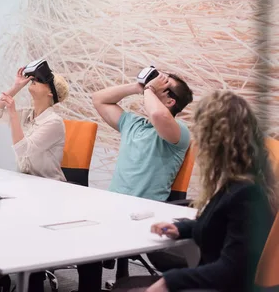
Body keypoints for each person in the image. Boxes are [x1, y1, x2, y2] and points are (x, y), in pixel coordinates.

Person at [116, 90, 278, 292]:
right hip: (214, 282)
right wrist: (183, 229)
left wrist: (170, 281)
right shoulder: (241, 183)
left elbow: (232, 270)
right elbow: (221, 226)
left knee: (125, 288)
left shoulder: (247, 195)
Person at [83, 71, 193, 289]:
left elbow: (160, 117)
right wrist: (138, 87)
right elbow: (99, 99)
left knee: (90, 244)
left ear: (170, 100)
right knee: (78, 239)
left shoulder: (178, 133)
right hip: (111, 206)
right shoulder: (133, 124)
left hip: (141, 213)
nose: (156, 83)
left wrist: (150, 91)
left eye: (164, 84)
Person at [0, 62, 69, 292]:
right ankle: (1, 275)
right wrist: (15, 87)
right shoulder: (29, 115)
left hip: (50, 191)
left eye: (38, 80)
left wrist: (12, 114)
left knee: (18, 223)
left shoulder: (53, 123)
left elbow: (22, 149)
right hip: (27, 185)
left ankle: (30, 279)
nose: (33, 81)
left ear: (50, 92)